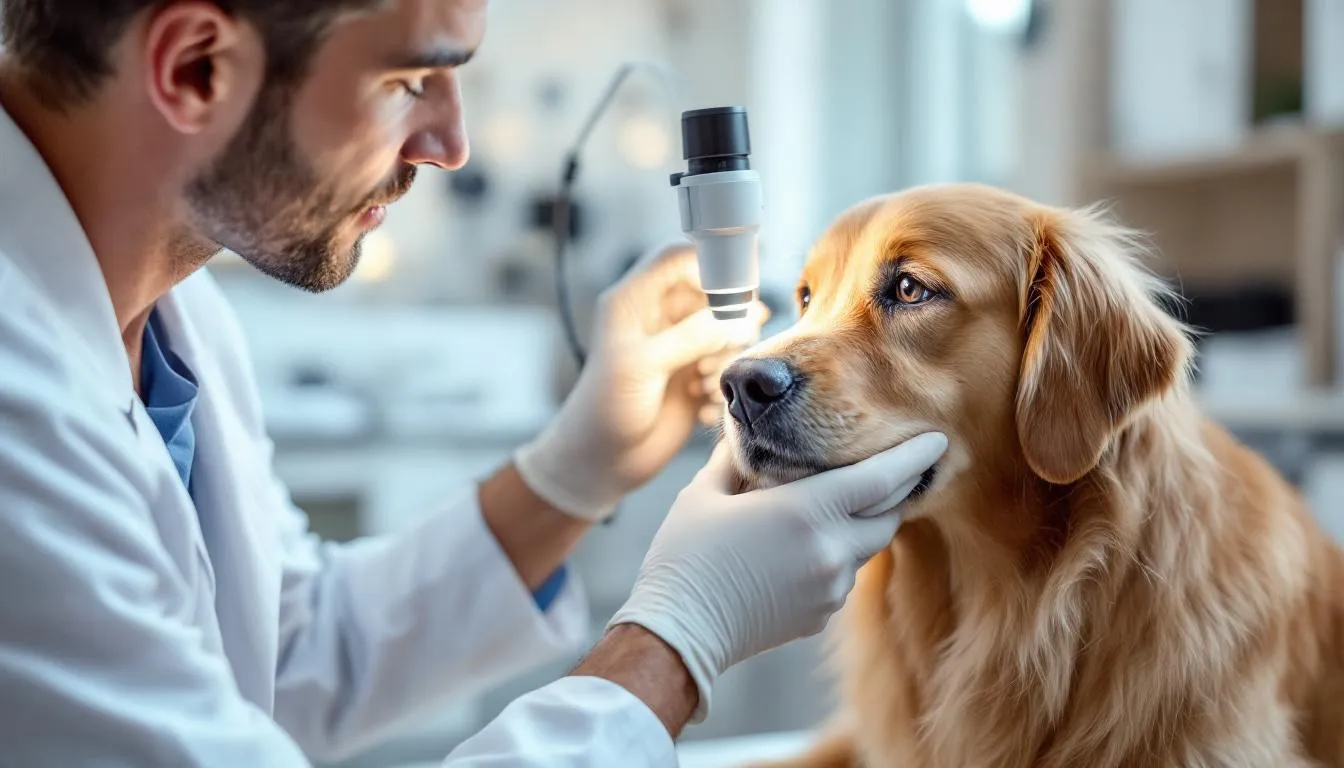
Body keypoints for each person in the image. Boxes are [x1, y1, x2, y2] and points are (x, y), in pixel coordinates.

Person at [0, 1, 947, 766]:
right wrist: (676, 639)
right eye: (411, 79)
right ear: (195, 67)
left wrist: (575, 472)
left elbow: (288, 655)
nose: (449, 144)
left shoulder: (174, 310)